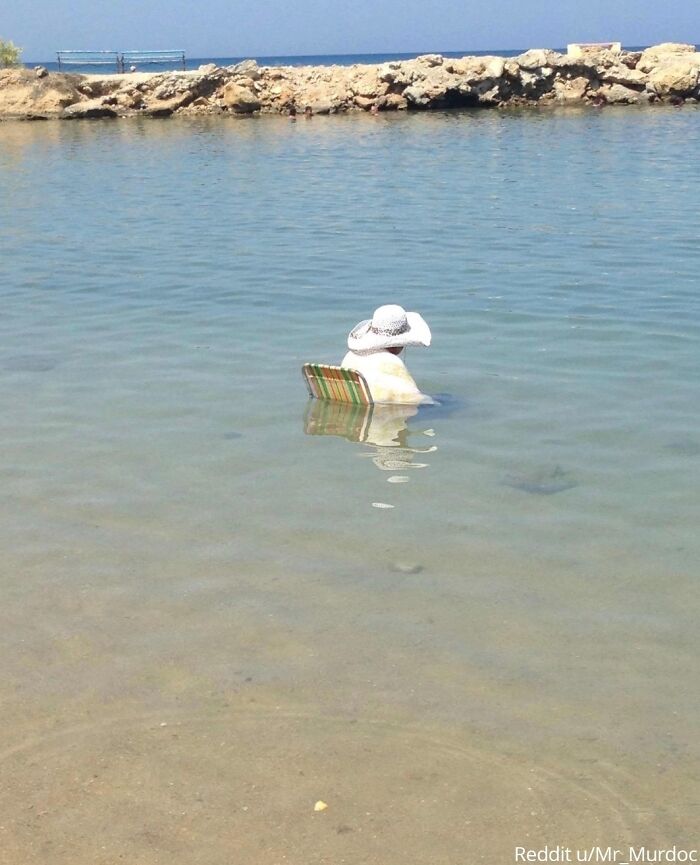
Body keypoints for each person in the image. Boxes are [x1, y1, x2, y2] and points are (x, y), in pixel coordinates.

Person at [341, 304, 432, 405]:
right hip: (380, 417)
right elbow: (414, 399)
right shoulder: (391, 363)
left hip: (357, 410)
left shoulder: (350, 356)